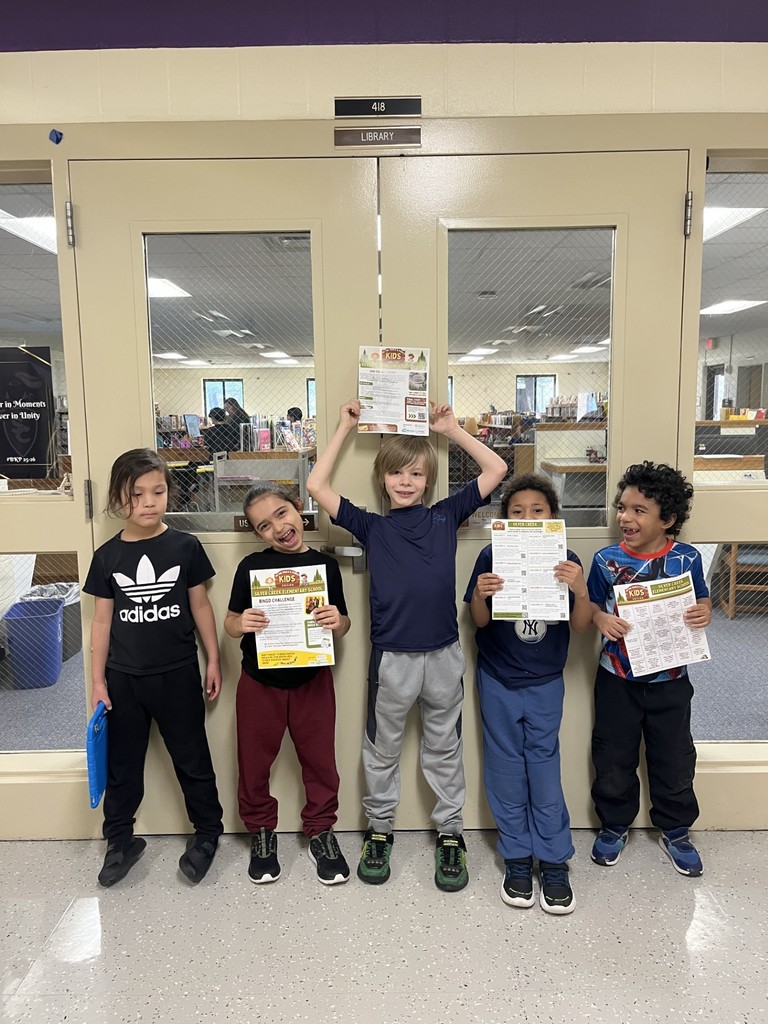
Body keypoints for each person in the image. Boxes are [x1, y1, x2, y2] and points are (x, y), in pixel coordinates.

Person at [307, 398, 507, 892]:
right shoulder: (371, 527)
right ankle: (379, 830)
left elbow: (496, 467)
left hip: (443, 656)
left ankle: (452, 835)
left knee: (444, 748)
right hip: (391, 660)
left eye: (416, 474)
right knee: (382, 750)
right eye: (396, 473)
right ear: (382, 478)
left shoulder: (446, 516)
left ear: (428, 481)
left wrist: (451, 430)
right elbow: (316, 486)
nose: (405, 481)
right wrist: (344, 427)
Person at [83, 448, 223, 888]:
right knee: (123, 767)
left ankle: (207, 834)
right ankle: (120, 840)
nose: (148, 501)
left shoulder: (185, 546)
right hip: (124, 681)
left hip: (178, 674)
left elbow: (200, 605)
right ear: (117, 498)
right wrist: (97, 681)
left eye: (157, 491)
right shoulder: (106, 557)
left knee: (192, 760)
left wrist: (213, 658)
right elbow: (102, 622)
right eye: (136, 494)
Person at [464, 474, 592, 915]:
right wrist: (482, 593)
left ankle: (554, 860)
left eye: (538, 511)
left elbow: (580, 626)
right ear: (504, 520)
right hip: (497, 677)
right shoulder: (490, 555)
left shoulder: (568, 559)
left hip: (545, 681)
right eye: (517, 512)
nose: (528, 517)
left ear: (553, 518)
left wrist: (579, 589)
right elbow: (478, 622)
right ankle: (517, 857)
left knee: (543, 766)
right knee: (504, 768)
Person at [587, 461, 711, 876]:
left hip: (671, 680)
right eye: (622, 508)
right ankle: (614, 824)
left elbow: (703, 600)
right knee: (613, 756)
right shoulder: (605, 560)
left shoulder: (686, 557)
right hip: (617, 679)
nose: (625, 517)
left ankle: (676, 829)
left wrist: (703, 613)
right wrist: (600, 619)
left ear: (668, 519)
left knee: (674, 757)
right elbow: (587, 605)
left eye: (639, 510)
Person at [224, 483, 352, 886]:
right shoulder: (251, 567)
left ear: (299, 509)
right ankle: (261, 831)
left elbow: (343, 623)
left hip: (313, 679)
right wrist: (239, 624)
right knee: (254, 760)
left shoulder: (324, 567)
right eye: (264, 525)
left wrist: (337, 622)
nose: (277, 528)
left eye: (281, 514)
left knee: (319, 760)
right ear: (257, 534)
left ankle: (321, 830)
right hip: (259, 681)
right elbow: (229, 623)